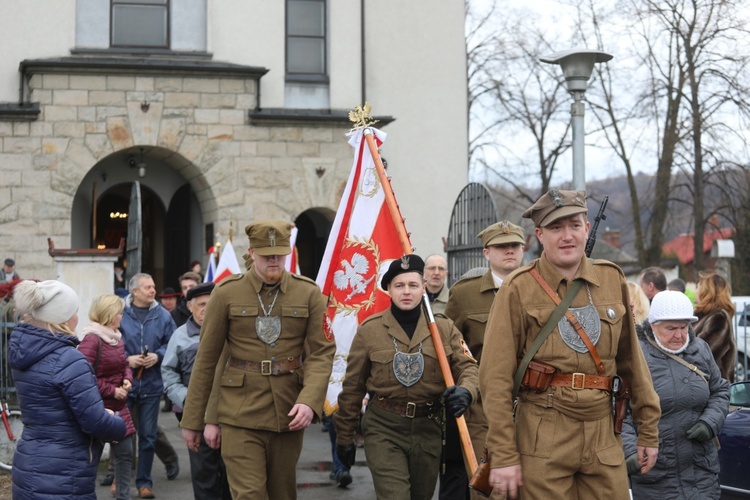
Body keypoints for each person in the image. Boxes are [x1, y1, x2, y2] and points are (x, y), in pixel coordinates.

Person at [479, 188, 662, 500]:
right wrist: (504, 453)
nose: (567, 236)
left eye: (574, 225)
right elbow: (494, 378)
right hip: (542, 436)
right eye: (555, 227)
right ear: (539, 235)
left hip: (602, 434)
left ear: (587, 228)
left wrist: (648, 428)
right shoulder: (518, 288)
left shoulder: (611, 279)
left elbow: (633, 362)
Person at [180, 220, 335, 499]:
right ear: (251, 252)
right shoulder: (226, 293)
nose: (274, 260)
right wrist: (195, 420)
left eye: (279, 254)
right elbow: (207, 360)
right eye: (266, 255)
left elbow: (321, 353)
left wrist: (309, 400)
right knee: (249, 495)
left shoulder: (309, 293)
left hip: (288, 412)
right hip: (240, 411)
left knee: (282, 494)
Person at [335, 254, 480, 500]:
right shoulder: (370, 330)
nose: (406, 292)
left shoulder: (443, 328)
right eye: (399, 285)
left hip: (428, 428)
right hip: (385, 428)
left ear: (423, 288)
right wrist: (344, 436)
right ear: (388, 289)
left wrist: (466, 391)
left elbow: (469, 368)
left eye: (413, 285)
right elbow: (353, 387)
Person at [9, 280, 127, 499]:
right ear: (62, 317)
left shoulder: (25, 354)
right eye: (74, 311)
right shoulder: (69, 359)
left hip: (29, 464)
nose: (77, 317)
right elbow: (95, 422)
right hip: (63, 474)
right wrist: (117, 423)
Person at [441, 219, 526, 499]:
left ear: (524, 249)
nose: (509, 251)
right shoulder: (465, 294)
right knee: (491, 489)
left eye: (514, 245)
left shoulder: (542, 288)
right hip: (483, 409)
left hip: (534, 404)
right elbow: (450, 349)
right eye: (501, 247)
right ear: (487, 253)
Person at [622, 290, 729, 499]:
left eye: (684, 327)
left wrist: (710, 422)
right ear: (653, 325)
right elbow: (621, 412)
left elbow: (720, 390)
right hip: (657, 475)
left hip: (701, 473)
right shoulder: (636, 356)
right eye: (671, 328)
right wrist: (630, 452)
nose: (679, 335)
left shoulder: (701, 349)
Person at [162, 281, 231, 500]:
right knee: (205, 477)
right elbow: (169, 374)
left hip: (229, 414)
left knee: (232, 476)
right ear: (190, 307)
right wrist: (189, 400)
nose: (205, 309)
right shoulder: (180, 336)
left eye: (210, 304)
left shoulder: (231, 332)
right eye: (200, 304)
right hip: (196, 417)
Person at [121, 273, 178, 499]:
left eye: (154, 286)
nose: (153, 290)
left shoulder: (163, 315)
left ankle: (145, 483)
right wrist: (128, 359)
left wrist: (158, 355)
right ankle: (120, 480)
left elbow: (172, 343)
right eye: (147, 287)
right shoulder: (121, 314)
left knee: (148, 436)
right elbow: (112, 341)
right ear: (135, 292)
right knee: (122, 435)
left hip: (152, 385)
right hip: (125, 385)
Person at [79, 294, 137, 500]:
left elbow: (124, 364)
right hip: (99, 408)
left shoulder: (116, 336)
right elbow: (82, 377)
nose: (122, 316)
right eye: (119, 312)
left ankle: (123, 497)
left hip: (120, 407)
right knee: (90, 460)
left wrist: (127, 380)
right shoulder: (92, 339)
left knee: (125, 455)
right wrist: (112, 390)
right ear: (109, 315)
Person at [694, 271, 737, 382]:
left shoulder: (719, 318)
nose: (696, 291)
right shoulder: (704, 315)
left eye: (698, 287)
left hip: (714, 387)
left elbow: (704, 353)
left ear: (707, 292)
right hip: (704, 384)